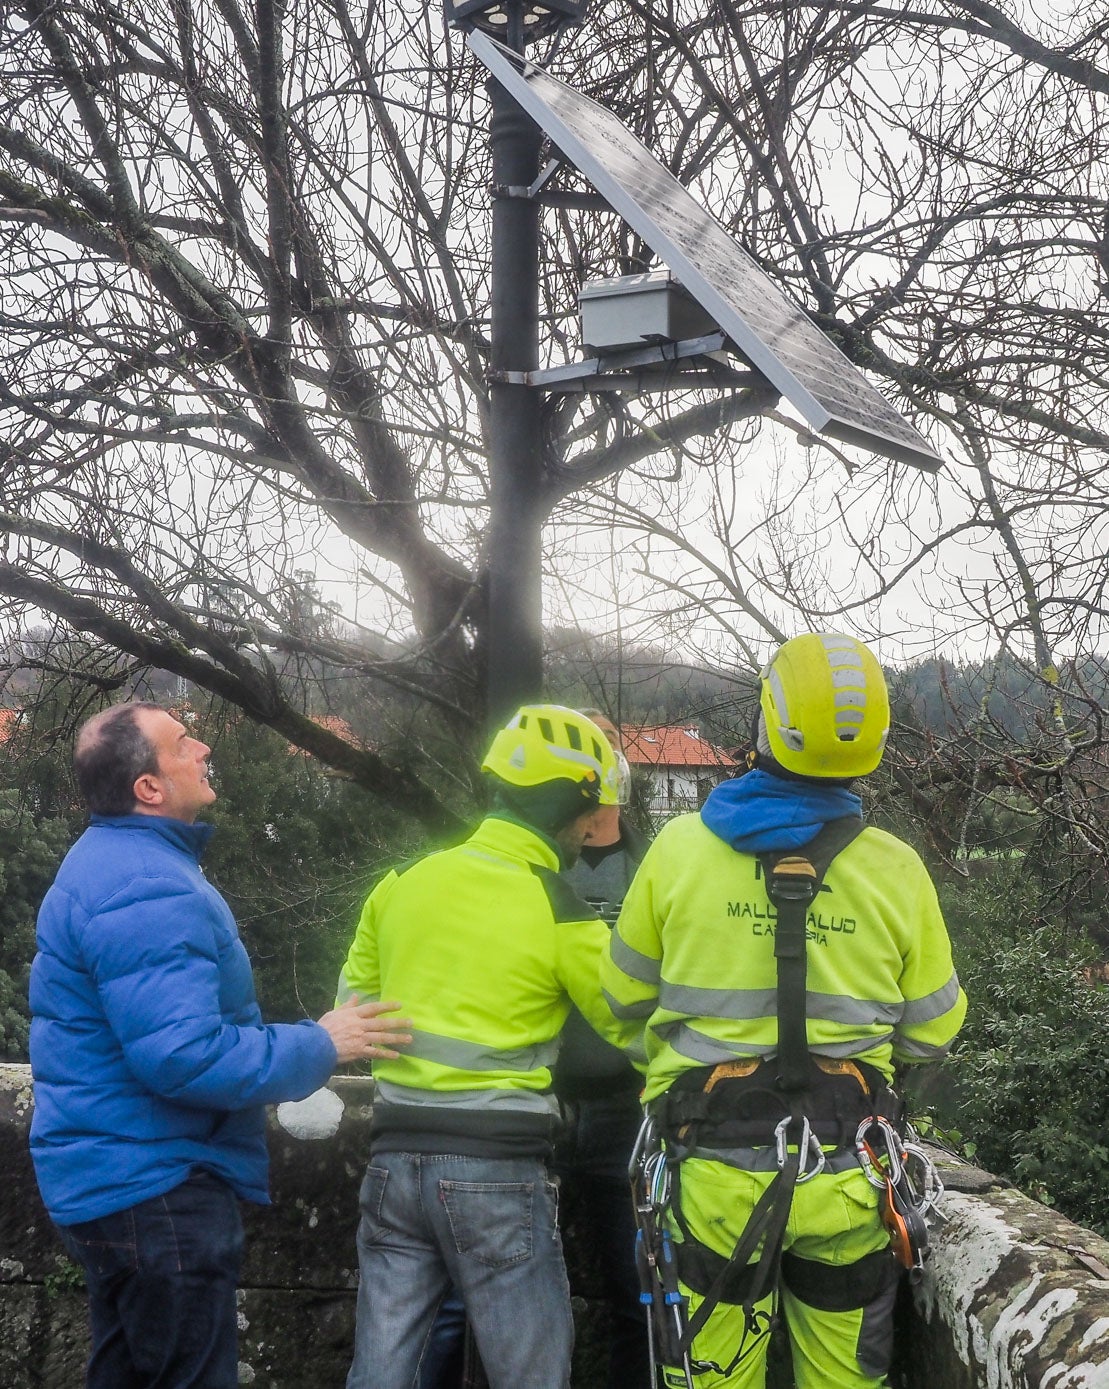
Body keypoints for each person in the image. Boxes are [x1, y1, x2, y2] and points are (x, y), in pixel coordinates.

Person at [601, 633, 967, 1389]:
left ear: (768, 719)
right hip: (848, 1172)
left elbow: (622, 999)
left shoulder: (677, 851)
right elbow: (932, 1030)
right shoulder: (896, 869)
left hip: (716, 1172)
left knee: (715, 1372)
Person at [28, 702, 412, 1389]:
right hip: (157, 1188)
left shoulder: (110, 863)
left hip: (110, 1179)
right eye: (182, 743)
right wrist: (320, 1042)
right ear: (148, 787)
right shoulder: (147, 884)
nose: (203, 746)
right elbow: (183, 1056)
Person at [338, 704, 646, 1389]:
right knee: (528, 1372)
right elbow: (641, 1027)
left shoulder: (402, 884)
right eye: (591, 807)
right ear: (571, 806)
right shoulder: (557, 905)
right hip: (497, 1170)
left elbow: (350, 1012)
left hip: (393, 1160)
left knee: (384, 1370)